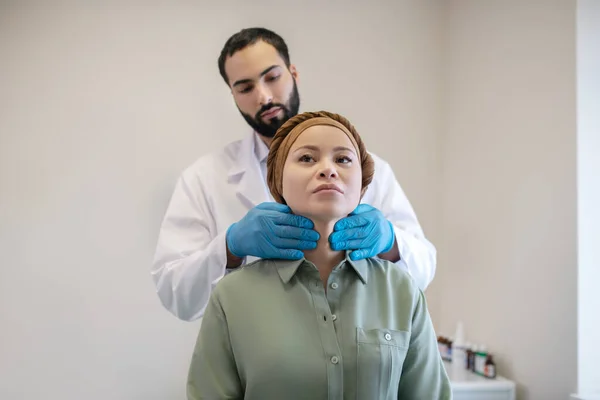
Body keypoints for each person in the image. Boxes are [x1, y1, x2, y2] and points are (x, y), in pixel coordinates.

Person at [151, 27, 437, 321]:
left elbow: (423, 267)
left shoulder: (363, 169)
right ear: (233, 95)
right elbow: (174, 292)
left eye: (272, 77)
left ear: (293, 73)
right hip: (255, 354)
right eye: (246, 87)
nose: (264, 97)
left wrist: (390, 242)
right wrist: (230, 247)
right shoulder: (203, 179)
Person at [186, 111, 452, 399]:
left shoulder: (400, 291)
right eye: (307, 158)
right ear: (278, 182)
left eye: (343, 159)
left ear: (363, 185)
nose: (328, 170)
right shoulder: (231, 297)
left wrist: (391, 239)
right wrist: (231, 245)